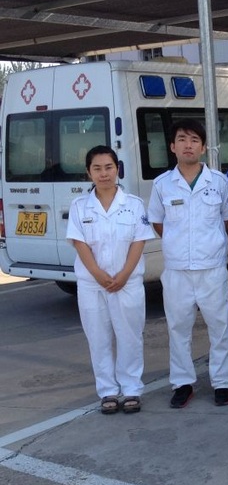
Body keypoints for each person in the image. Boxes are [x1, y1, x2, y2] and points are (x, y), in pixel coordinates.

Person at [147, 118, 228, 408]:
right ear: (172, 146)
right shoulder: (162, 185)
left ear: (204, 147)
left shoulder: (219, 182)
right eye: (182, 139)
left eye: (195, 140)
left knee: (220, 328)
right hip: (177, 271)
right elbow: (158, 222)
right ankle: (183, 384)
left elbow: (227, 220)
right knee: (178, 330)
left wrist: (207, 244)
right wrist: (179, 244)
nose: (188, 145)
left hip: (211, 269)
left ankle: (222, 383)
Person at [67, 145, 155, 414]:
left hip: (127, 283)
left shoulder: (133, 205)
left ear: (117, 169)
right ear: (88, 172)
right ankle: (107, 391)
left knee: (130, 337)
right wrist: (98, 274)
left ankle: (131, 389)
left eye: (108, 167)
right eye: (97, 168)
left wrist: (124, 274)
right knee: (98, 339)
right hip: (92, 285)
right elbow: (79, 243)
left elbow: (139, 241)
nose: (103, 173)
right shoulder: (79, 206)